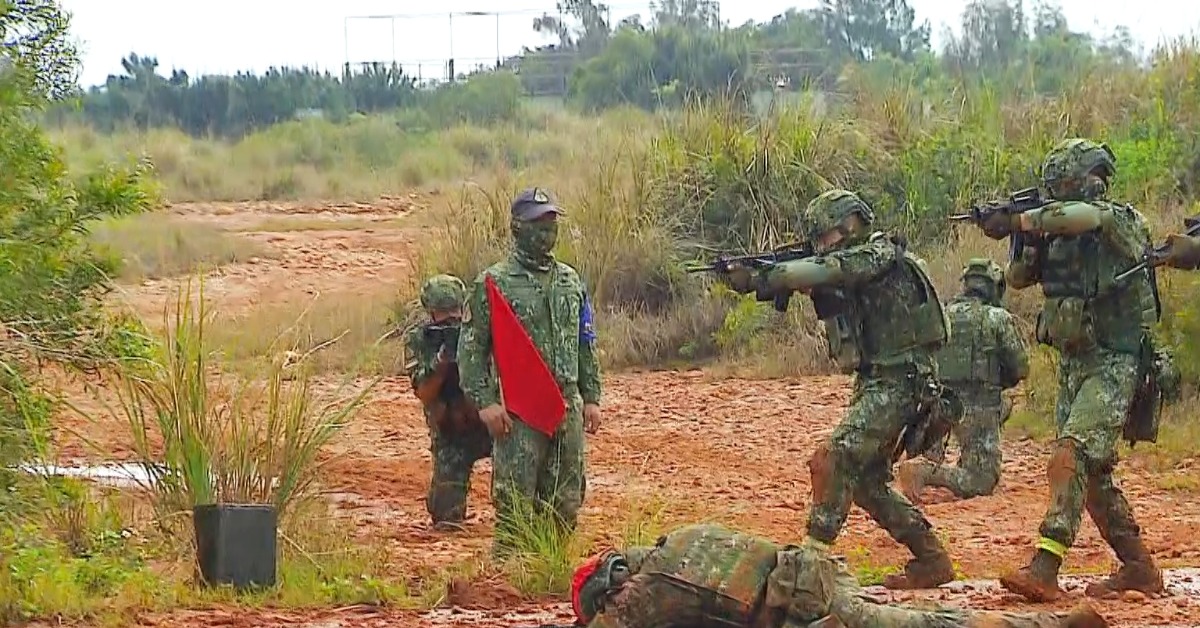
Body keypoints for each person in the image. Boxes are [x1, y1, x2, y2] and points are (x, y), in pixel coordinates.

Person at [716, 189, 961, 590]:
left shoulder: (879, 253)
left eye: (826, 237)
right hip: (879, 380)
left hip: (904, 380)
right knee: (865, 482)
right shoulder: (855, 260)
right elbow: (822, 275)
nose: (821, 247)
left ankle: (811, 563)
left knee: (832, 458)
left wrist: (767, 276)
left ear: (850, 226)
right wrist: (753, 280)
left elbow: (829, 270)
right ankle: (932, 560)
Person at [977, 138, 1177, 602]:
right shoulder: (1053, 228)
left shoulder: (1119, 218)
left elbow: (1085, 218)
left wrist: (1024, 219)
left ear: (1091, 182)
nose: (1057, 195)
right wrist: (1021, 237)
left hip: (1117, 358)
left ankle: (1044, 567)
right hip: (1074, 359)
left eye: (1063, 186)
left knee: (1069, 457)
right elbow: (1020, 279)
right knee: (1093, 476)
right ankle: (1139, 568)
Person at [568, 523, 1109, 628]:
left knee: (914, 625)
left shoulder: (647, 591)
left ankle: (1057, 626)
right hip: (816, 568)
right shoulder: (680, 538)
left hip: (811, 599)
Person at [457, 187, 603, 557]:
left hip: (567, 404)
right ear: (518, 228)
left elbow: (585, 341)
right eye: (539, 224)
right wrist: (485, 403)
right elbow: (472, 350)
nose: (547, 233)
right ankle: (510, 577)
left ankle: (550, 568)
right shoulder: (494, 282)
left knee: (566, 496)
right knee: (515, 498)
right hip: (519, 410)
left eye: (552, 224)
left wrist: (592, 397)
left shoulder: (571, 281)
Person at [898, 258, 1029, 502]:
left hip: (937, 404)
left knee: (932, 442)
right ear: (992, 287)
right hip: (978, 407)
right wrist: (1001, 384)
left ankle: (926, 462)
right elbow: (1020, 367)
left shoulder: (943, 313)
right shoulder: (996, 318)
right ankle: (926, 472)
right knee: (982, 480)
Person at [403, 274, 492, 531]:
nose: (450, 323)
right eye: (443, 317)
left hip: (488, 419)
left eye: (455, 315)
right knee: (445, 516)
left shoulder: (480, 330)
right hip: (450, 430)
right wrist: (440, 364)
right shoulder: (422, 339)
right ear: (430, 314)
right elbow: (424, 393)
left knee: (518, 491)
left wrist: (472, 356)